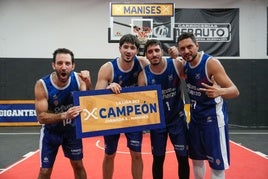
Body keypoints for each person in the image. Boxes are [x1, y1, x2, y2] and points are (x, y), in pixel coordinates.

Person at [176, 32, 240, 179]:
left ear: (197, 45)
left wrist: (220, 91)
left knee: (217, 164)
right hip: (195, 120)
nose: (186, 51)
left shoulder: (210, 63)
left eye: (189, 47)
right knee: (197, 160)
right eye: (182, 49)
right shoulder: (185, 64)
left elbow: (235, 91)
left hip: (213, 121)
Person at [95, 34, 149, 179]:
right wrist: (108, 86)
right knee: (109, 154)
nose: (129, 51)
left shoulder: (143, 63)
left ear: (137, 50)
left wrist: (176, 56)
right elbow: (96, 96)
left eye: (132, 48)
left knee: (137, 154)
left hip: (133, 115)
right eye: (125, 47)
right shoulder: (108, 68)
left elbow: (162, 63)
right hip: (113, 116)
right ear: (120, 48)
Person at [34, 48, 91, 179]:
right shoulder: (42, 85)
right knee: (45, 171)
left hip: (71, 131)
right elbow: (41, 117)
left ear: (73, 66)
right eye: (59, 63)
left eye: (67, 63)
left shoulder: (79, 79)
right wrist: (64, 115)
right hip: (51, 133)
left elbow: (86, 100)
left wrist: (88, 82)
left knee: (78, 165)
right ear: (53, 65)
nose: (63, 67)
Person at [138, 39, 189, 179]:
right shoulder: (143, 76)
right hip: (157, 123)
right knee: (158, 159)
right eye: (150, 52)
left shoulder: (176, 64)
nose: (154, 54)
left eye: (156, 50)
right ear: (146, 56)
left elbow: (191, 70)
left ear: (162, 51)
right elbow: (140, 102)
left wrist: (178, 56)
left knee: (183, 157)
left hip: (177, 119)